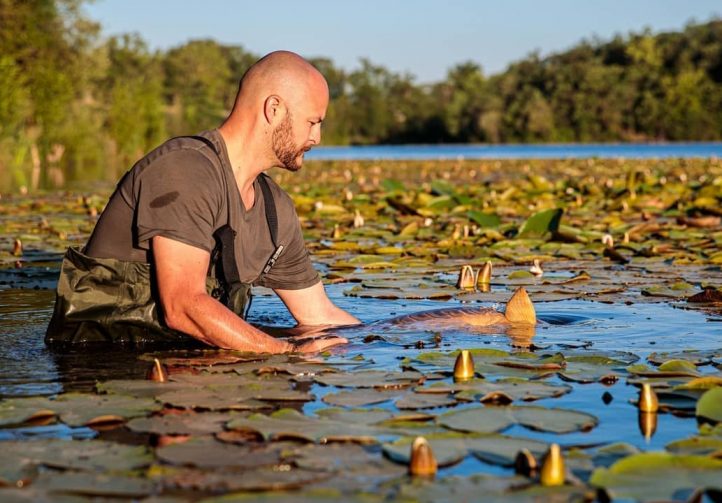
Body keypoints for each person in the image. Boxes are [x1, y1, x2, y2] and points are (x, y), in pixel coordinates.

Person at [45, 51, 358, 353]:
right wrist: (285, 351)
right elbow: (183, 306)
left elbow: (320, 316)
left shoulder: (276, 211)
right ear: (273, 109)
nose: (317, 137)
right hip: (105, 372)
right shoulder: (184, 169)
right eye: (312, 121)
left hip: (186, 367)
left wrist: (398, 331)